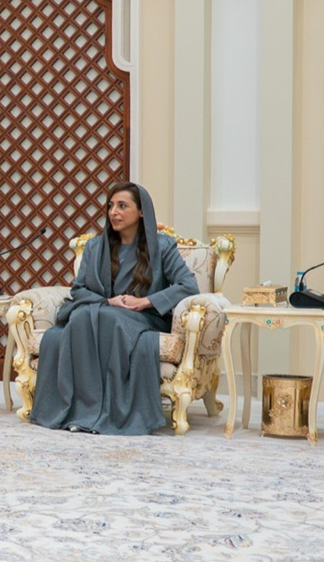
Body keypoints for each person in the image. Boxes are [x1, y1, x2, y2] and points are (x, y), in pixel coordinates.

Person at [30, 182, 198, 435]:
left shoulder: (163, 246)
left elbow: (188, 285)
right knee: (81, 316)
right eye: (110, 206)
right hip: (102, 311)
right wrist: (109, 301)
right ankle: (81, 411)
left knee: (103, 318)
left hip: (143, 318)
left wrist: (144, 301)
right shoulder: (95, 247)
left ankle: (105, 413)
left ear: (141, 211)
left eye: (122, 206)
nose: (113, 212)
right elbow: (78, 290)